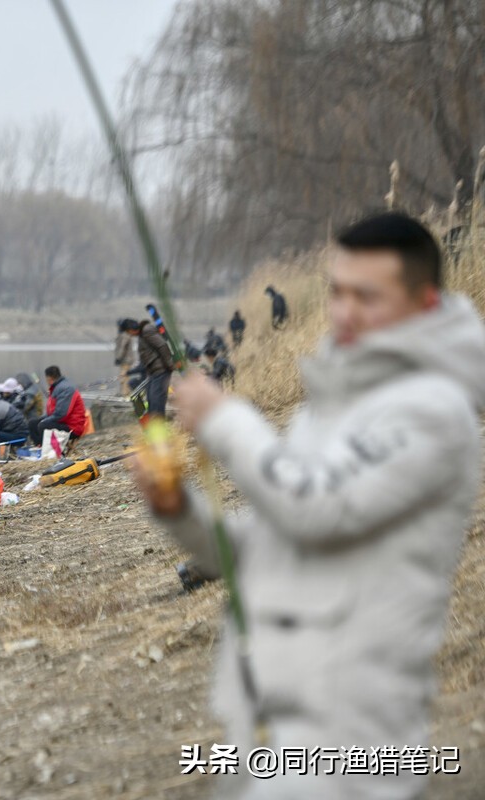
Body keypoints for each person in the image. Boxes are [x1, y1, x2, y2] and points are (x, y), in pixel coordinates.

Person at [134, 212, 485, 798]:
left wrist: (225, 420)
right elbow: (266, 546)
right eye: (336, 292)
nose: (343, 312)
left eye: (367, 296)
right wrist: (178, 510)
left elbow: (318, 510)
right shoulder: (328, 407)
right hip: (276, 723)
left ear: (426, 301)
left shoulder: (436, 411)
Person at [119, 319, 175, 417]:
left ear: (131, 329)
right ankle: (153, 424)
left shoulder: (147, 330)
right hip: (152, 372)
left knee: (156, 399)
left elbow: (162, 345)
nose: (130, 335)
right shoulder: (142, 334)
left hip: (160, 370)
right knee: (151, 398)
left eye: (128, 332)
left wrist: (170, 365)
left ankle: (159, 425)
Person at [27, 366, 88, 448]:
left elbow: (61, 414)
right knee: (32, 423)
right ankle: (40, 447)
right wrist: (43, 419)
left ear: (49, 378)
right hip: (63, 422)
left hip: (73, 427)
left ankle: (48, 451)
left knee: (43, 425)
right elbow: (52, 413)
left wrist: (44, 421)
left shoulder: (65, 388)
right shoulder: (57, 388)